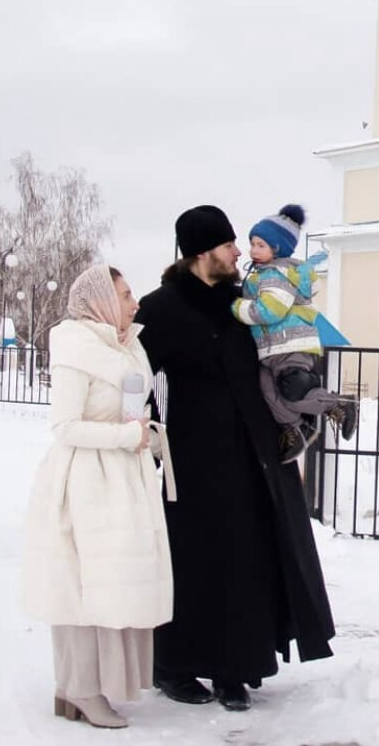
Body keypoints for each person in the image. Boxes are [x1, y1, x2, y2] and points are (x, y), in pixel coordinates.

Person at [135, 204, 335, 713]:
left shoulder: (241, 301)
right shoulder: (162, 308)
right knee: (194, 564)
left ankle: (234, 669)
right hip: (193, 463)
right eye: (228, 246)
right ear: (203, 252)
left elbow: (281, 343)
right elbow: (135, 377)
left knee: (248, 562)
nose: (239, 252)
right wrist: (146, 431)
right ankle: (175, 666)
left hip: (253, 456)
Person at [22, 264, 174, 730]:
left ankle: (86, 687)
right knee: (85, 586)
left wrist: (146, 435)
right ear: (100, 302)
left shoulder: (126, 345)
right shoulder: (78, 349)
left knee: (113, 584)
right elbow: (64, 427)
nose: (134, 302)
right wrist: (127, 439)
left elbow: (131, 409)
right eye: (126, 294)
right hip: (87, 483)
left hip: (122, 481)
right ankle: (81, 688)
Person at [235, 203, 357, 463]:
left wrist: (238, 307)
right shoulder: (264, 274)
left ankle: (338, 405)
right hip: (272, 350)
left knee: (293, 389)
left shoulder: (276, 276)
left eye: (261, 245)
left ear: (277, 248)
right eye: (252, 243)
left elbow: (270, 311)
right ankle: (294, 428)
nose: (253, 250)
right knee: (267, 390)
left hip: (290, 345)